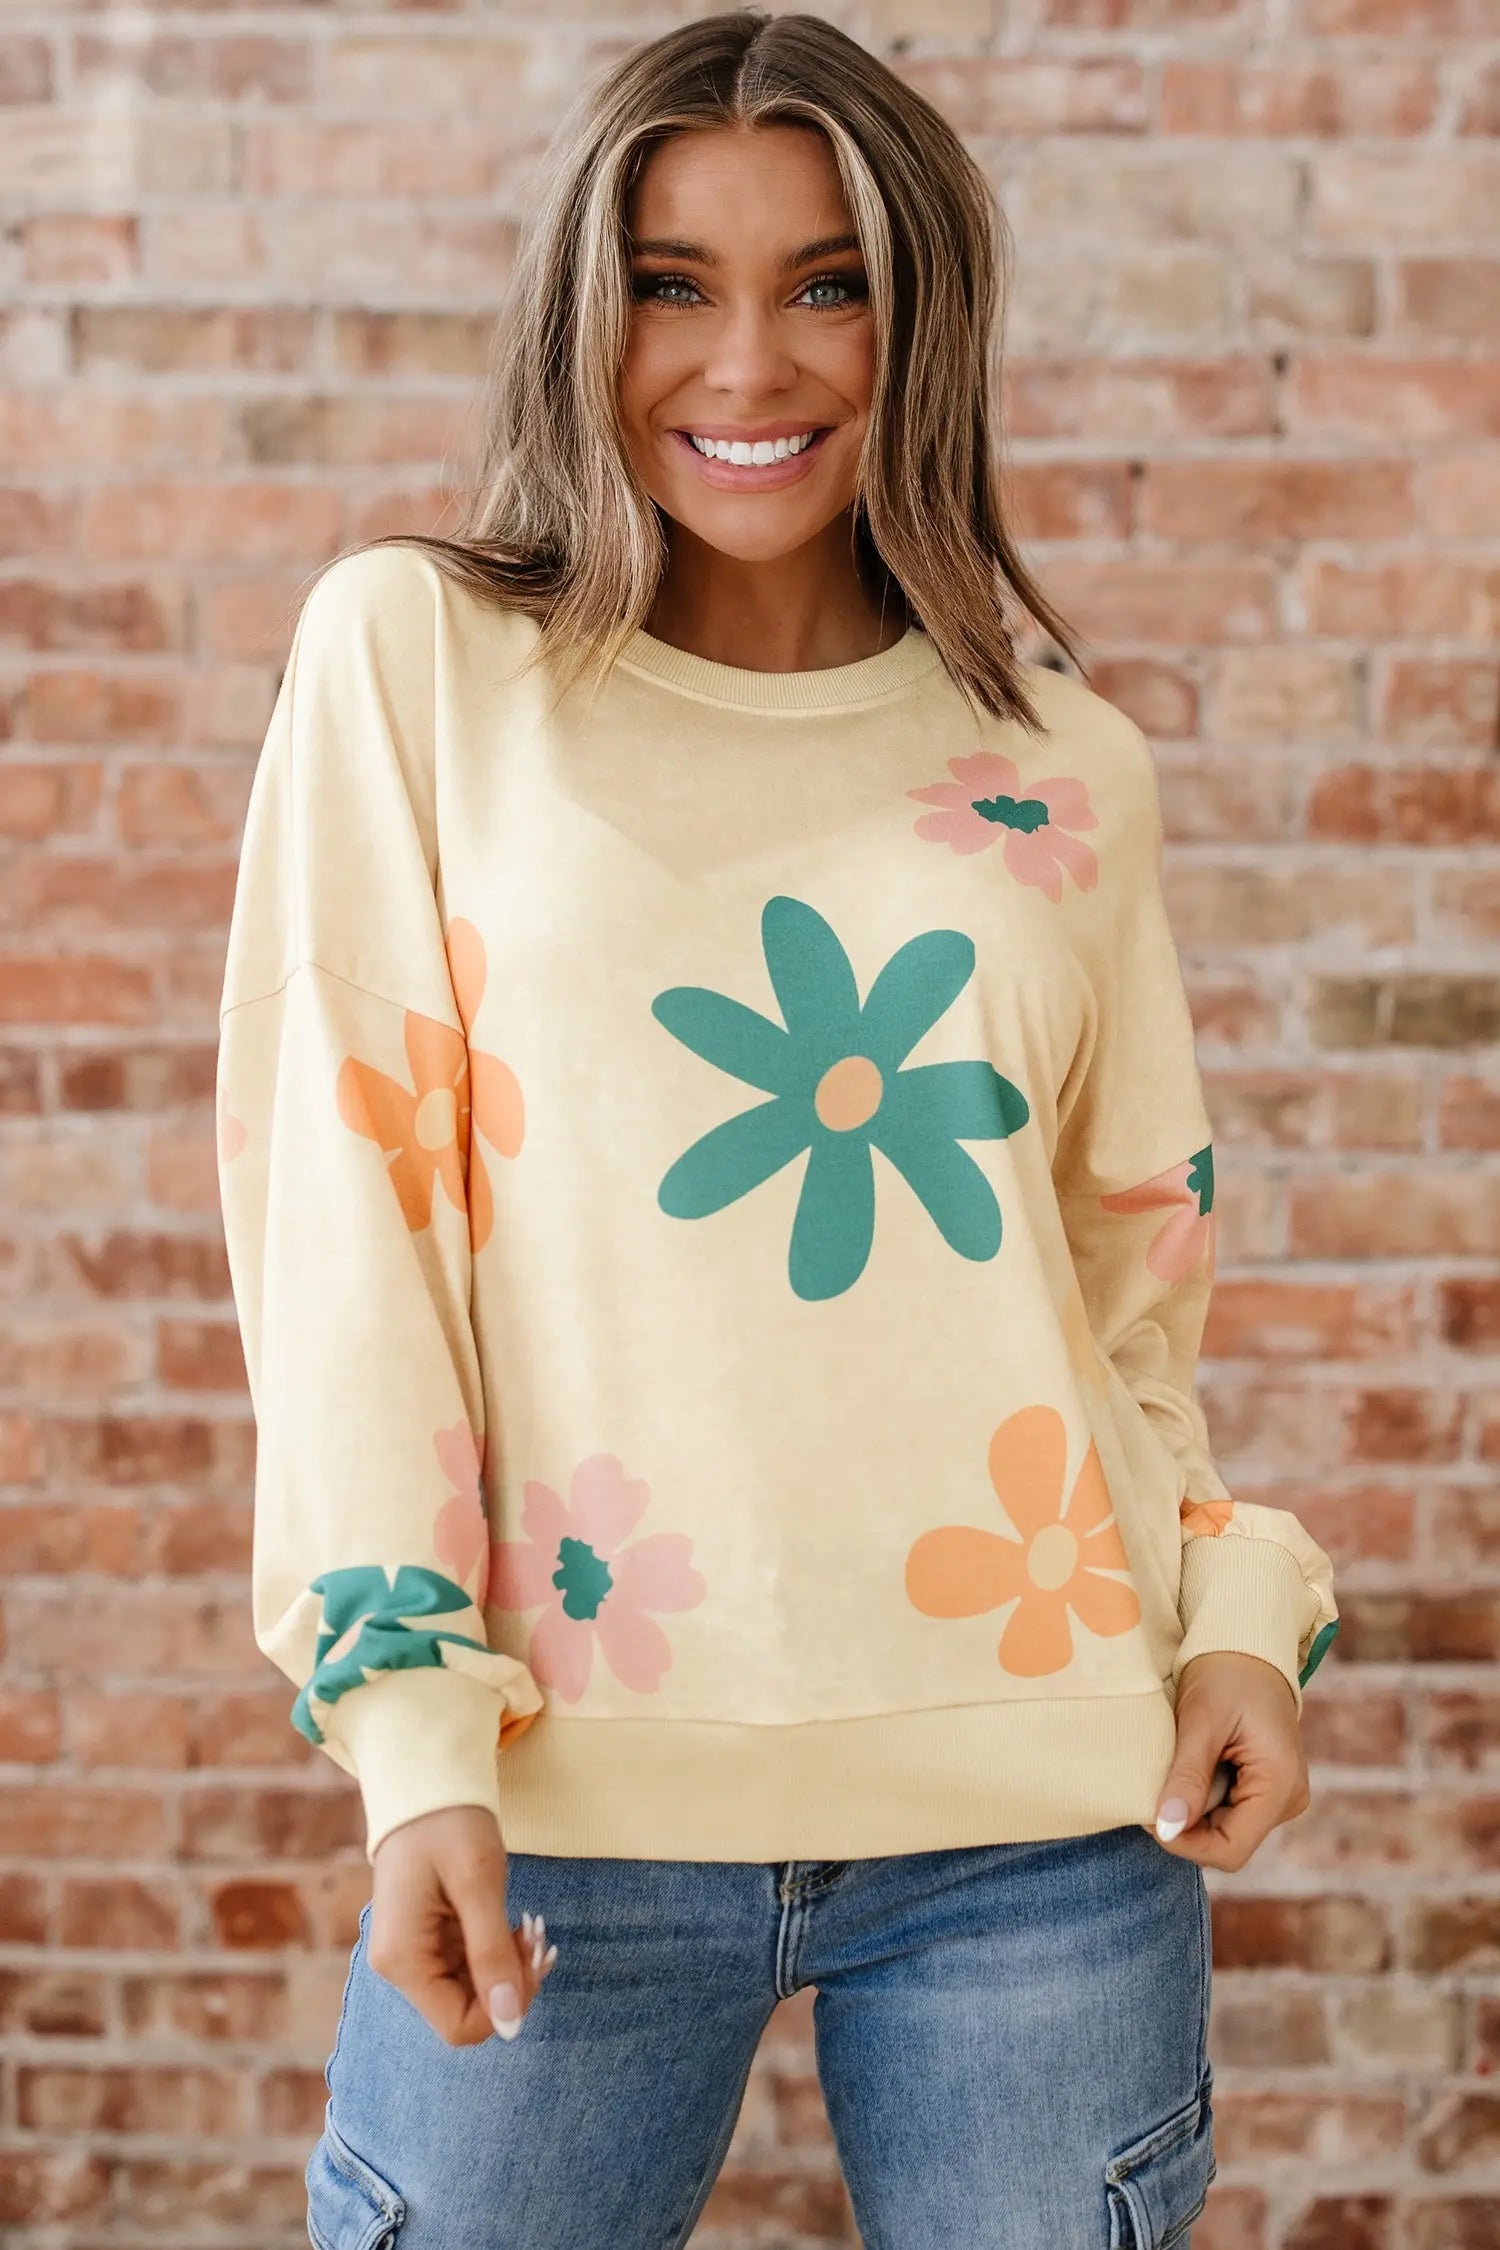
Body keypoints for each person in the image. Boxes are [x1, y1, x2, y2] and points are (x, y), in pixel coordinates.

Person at [215, 12, 1340, 2246]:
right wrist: (412, 1740)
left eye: (831, 283)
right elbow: (349, 1236)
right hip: (559, 1818)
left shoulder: (1062, 766)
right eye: (673, 283)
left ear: (924, 321)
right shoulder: (418, 667)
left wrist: (1237, 1614)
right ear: (585, 314)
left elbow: (1126, 1302)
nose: (752, 361)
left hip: (1049, 1823)